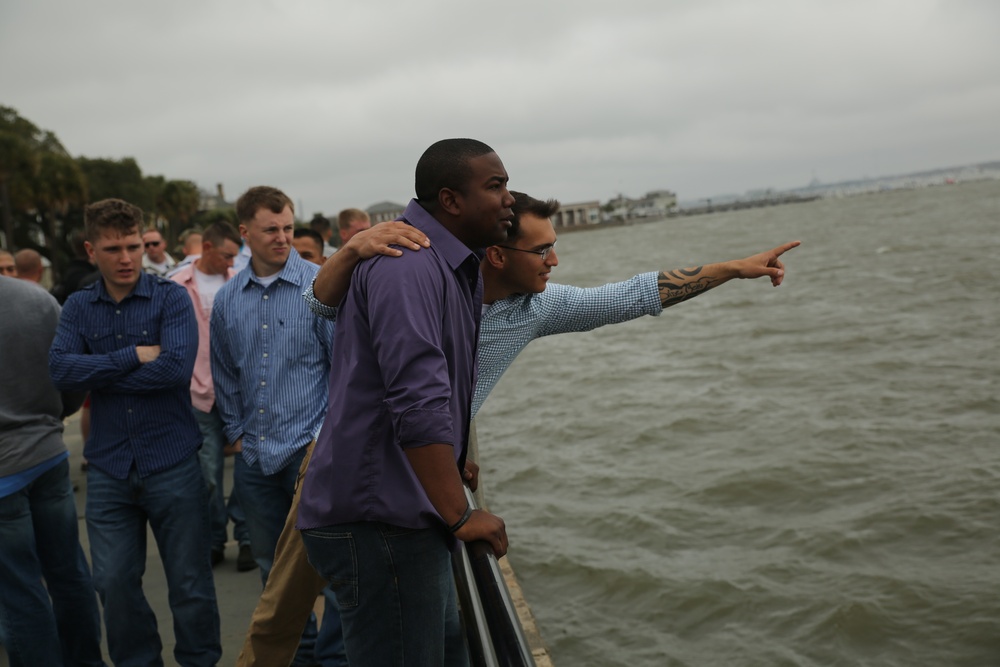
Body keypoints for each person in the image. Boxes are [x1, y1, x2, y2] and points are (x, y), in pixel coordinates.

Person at [242, 187, 800, 666]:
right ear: (496, 255)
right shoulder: (421, 282)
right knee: (282, 613)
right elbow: (321, 309)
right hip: (350, 465)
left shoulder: (533, 308)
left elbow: (630, 295)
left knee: (400, 622)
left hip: (422, 474)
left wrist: (732, 269)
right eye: (543, 248)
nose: (555, 259)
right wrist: (351, 250)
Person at [297, 138, 512, 666]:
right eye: (496, 185)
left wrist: (453, 461)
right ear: (451, 199)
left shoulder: (448, 264)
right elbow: (417, 399)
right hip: (381, 521)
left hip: (402, 511)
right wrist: (461, 516)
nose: (509, 197)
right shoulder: (408, 265)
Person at [49, 198, 220, 667]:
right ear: (91, 250)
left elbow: (173, 371)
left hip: (173, 461)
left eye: (133, 246)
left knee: (189, 584)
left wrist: (98, 372)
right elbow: (61, 370)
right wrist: (130, 356)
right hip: (108, 467)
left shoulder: (170, 298)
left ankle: (200, 661)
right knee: (113, 583)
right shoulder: (80, 306)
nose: (126, 258)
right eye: (113, 248)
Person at [210, 186, 343, 667]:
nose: (283, 237)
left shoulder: (321, 283)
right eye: (271, 230)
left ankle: (335, 662)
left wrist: (327, 438)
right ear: (245, 233)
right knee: (273, 578)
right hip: (255, 459)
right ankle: (301, 660)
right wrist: (236, 433)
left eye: (288, 227)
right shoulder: (227, 300)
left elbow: (342, 368)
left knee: (332, 571)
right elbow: (224, 372)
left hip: (313, 452)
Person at [0, 276, 105, 667]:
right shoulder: (35, 299)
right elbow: (73, 371)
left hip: (7, 471)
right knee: (68, 572)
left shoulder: (34, 299)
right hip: (46, 453)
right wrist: (53, 415)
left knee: (19, 592)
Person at [170, 220, 255, 572]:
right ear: (206, 248)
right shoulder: (176, 285)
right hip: (196, 393)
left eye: (234, 256)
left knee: (249, 473)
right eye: (226, 255)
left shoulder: (238, 282)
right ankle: (215, 539)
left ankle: (248, 538)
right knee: (207, 474)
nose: (230, 262)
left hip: (237, 390)